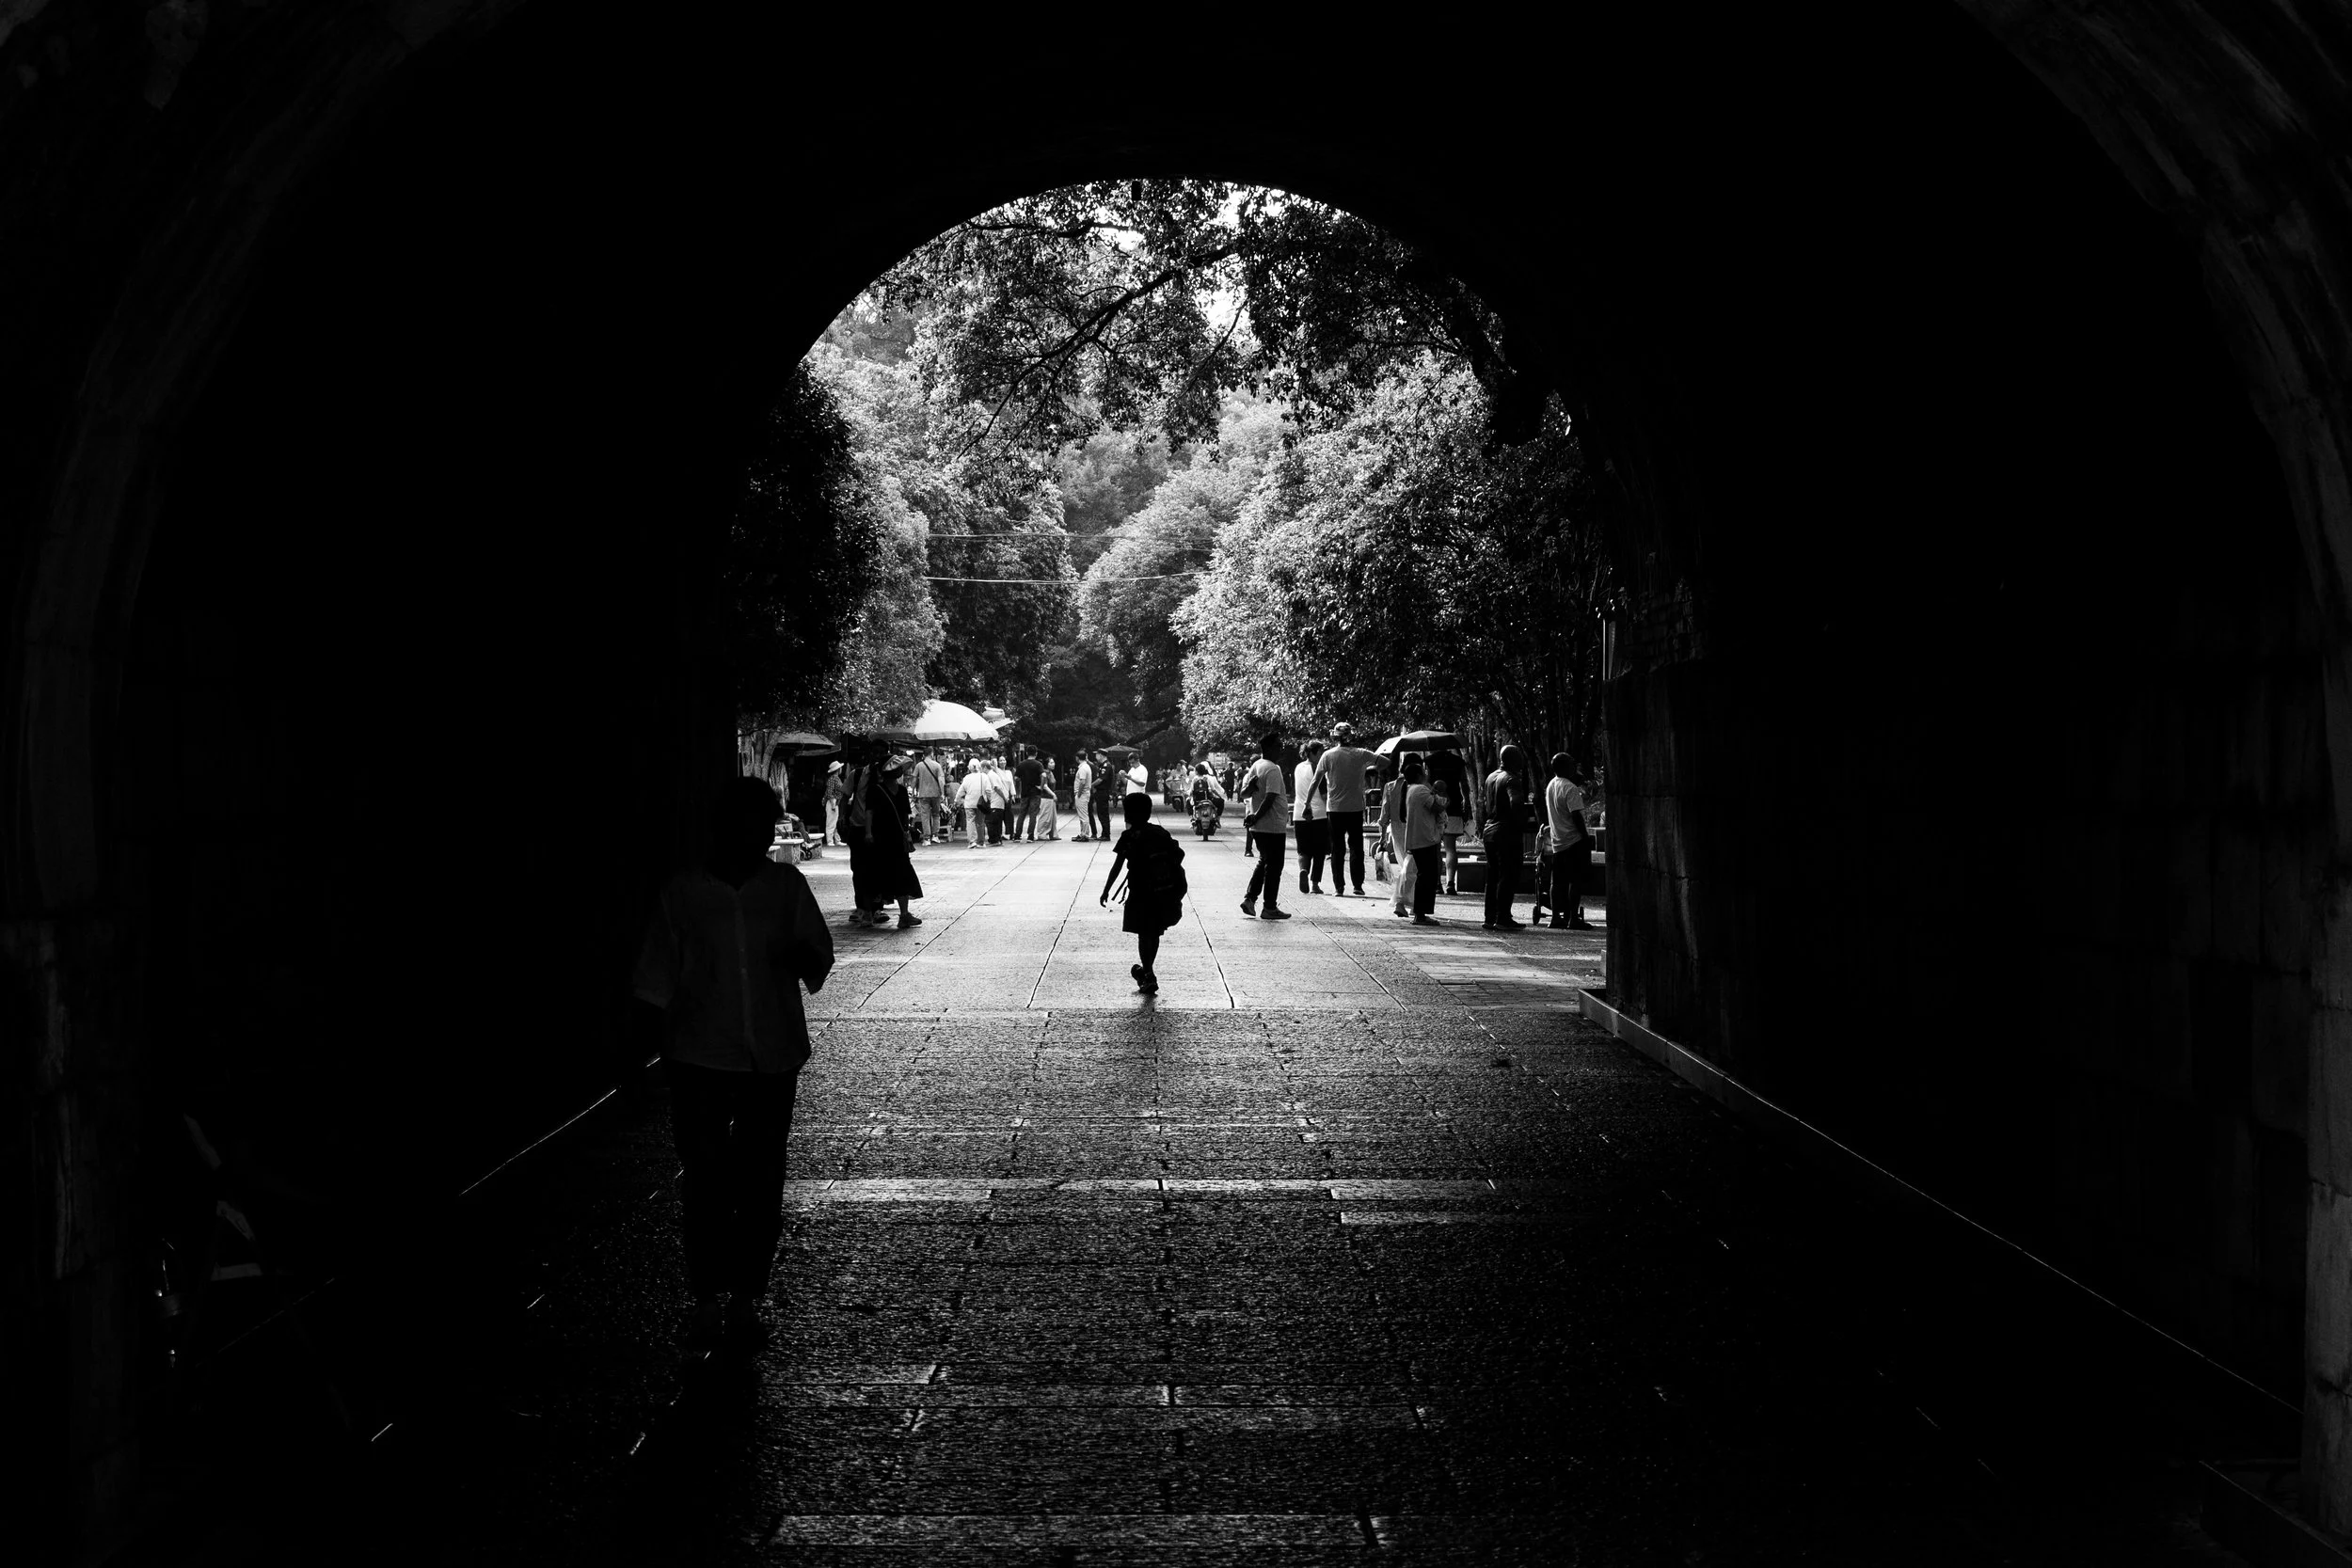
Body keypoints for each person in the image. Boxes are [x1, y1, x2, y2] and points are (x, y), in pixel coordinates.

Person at [630, 775, 834, 1344]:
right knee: (704, 1175)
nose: (759, 837)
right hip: (699, 1053)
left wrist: (799, 956)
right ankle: (705, 1295)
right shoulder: (685, 893)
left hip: (771, 1054)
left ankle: (746, 1295)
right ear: (724, 830)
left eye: (765, 826)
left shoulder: (785, 887)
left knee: (762, 1175)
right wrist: (639, 1062)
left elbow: (818, 955)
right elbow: (656, 977)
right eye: (751, 825)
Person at [1100, 793, 1187, 995]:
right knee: (1154, 932)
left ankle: (1148, 972)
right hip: (1160, 892)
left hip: (1139, 892)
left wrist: (1106, 890)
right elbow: (1178, 855)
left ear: (1128, 815)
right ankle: (1148, 972)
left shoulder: (1128, 837)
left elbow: (1117, 866)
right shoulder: (1160, 833)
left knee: (1143, 933)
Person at [842, 745, 925, 927]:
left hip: (896, 838)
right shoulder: (875, 790)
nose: (898, 772)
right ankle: (869, 912)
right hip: (879, 838)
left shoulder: (902, 791)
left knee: (902, 872)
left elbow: (904, 815)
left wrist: (906, 834)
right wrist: (869, 833)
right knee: (874, 874)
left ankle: (904, 914)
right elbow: (869, 813)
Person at [1312, 722, 1379, 895]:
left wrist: (1306, 804)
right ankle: (1358, 886)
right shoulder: (1361, 754)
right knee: (1357, 847)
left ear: (1335, 737)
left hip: (1335, 809)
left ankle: (1339, 887)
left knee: (1337, 849)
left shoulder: (1328, 755)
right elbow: (1385, 761)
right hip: (1356, 808)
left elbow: (1316, 781)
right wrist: (1367, 768)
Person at [1238, 730, 1294, 920]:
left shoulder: (1256, 766)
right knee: (1274, 866)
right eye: (1279, 746)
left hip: (1260, 827)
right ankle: (1269, 907)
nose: (1281, 749)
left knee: (1265, 861)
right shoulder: (1272, 768)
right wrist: (1256, 816)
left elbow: (1244, 793)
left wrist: (1254, 816)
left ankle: (1250, 899)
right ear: (1269, 748)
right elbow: (1270, 798)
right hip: (1271, 824)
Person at [1480, 743, 1534, 931]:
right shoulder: (1512, 779)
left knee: (1493, 875)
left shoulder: (1491, 777)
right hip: (1506, 832)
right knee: (1508, 875)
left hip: (1489, 830)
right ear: (1512, 759)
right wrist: (1522, 821)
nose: (1522, 761)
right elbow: (1516, 802)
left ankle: (1490, 916)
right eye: (1519, 757)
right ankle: (1503, 917)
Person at [1545, 753, 1596, 929]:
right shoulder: (1570, 788)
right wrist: (1585, 836)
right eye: (1572, 764)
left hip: (1557, 841)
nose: (1575, 767)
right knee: (1575, 880)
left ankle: (1555, 917)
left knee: (1556, 881)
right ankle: (1573, 918)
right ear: (1566, 767)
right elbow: (1576, 815)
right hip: (1573, 840)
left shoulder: (1551, 785)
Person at [1423, 744, 1471, 895]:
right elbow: (1464, 784)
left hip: (1435, 808)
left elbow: (1428, 783)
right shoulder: (1458, 761)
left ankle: (1437, 884)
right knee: (1451, 848)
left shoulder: (1430, 761)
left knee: (1436, 848)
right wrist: (1467, 804)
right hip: (1454, 807)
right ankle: (1451, 883)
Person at [1382, 752, 1418, 917]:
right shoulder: (1419, 787)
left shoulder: (1390, 786)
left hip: (1396, 828)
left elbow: (1384, 815)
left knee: (1407, 865)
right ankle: (1401, 902)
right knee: (1411, 867)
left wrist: (1383, 836)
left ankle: (1411, 903)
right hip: (1416, 828)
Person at [1293, 739, 1329, 895]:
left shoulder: (1298, 767)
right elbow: (1324, 794)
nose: (1322, 756)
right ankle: (1314, 884)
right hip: (1318, 815)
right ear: (1313, 753)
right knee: (1319, 851)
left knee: (1303, 850)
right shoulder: (1317, 768)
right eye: (1320, 753)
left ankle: (1304, 870)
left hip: (1299, 814)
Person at [907, 748, 947, 844]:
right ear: (932, 754)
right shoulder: (937, 765)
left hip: (923, 794)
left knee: (925, 816)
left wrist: (912, 792)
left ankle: (927, 838)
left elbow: (913, 779)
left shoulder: (919, 765)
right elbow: (941, 781)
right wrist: (942, 793)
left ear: (924, 755)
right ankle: (935, 835)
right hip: (936, 794)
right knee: (936, 815)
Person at [1014, 747, 1044, 840]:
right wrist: (1041, 787)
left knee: (1022, 814)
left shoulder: (1021, 764)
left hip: (1024, 792)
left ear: (1027, 753)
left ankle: (1017, 835)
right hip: (1035, 792)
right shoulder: (1038, 764)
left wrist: (1022, 779)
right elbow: (1043, 775)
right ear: (1036, 753)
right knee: (1033, 814)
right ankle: (1030, 835)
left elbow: (1016, 778)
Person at [959, 759, 991, 847]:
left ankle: (972, 842)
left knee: (970, 822)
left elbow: (961, 790)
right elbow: (988, 790)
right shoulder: (984, 776)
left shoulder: (966, 778)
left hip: (969, 804)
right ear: (979, 767)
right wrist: (989, 799)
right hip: (980, 804)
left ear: (969, 768)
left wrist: (956, 800)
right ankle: (981, 842)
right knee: (980, 822)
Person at [1088, 751, 1115, 841]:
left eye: (1096, 754)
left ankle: (1106, 834)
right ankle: (1104, 833)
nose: (1095, 756)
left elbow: (1100, 779)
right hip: (1100, 792)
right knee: (1101, 813)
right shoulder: (1102, 765)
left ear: (1101, 755)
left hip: (1103, 792)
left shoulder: (1106, 766)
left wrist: (1091, 785)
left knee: (1103, 814)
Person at [822, 759, 849, 846]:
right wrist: (833, 804)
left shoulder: (836, 778)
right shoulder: (832, 779)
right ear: (838, 770)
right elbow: (829, 793)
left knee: (834, 821)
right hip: (832, 802)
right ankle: (830, 840)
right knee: (831, 822)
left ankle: (837, 839)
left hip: (836, 801)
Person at [1071, 752, 1096, 840]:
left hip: (1082, 794)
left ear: (1077, 758)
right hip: (1084, 793)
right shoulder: (1085, 767)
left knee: (1083, 815)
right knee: (1083, 814)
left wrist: (1078, 794)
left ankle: (1085, 834)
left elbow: (1082, 782)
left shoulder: (1083, 768)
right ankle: (1083, 833)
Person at [1037, 757, 1060, 840]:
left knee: (1053, 818)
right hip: (1046, 798)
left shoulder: (1051, 773)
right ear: (1046, 764)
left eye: (1053, 762)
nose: (1053, 764)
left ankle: (1053, 834)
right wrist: (1053, 794)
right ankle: (1041, 834)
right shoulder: (1045, 773)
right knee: (1045, 817)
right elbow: (1045, 786)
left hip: (1051, 798)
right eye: (1051, 763)